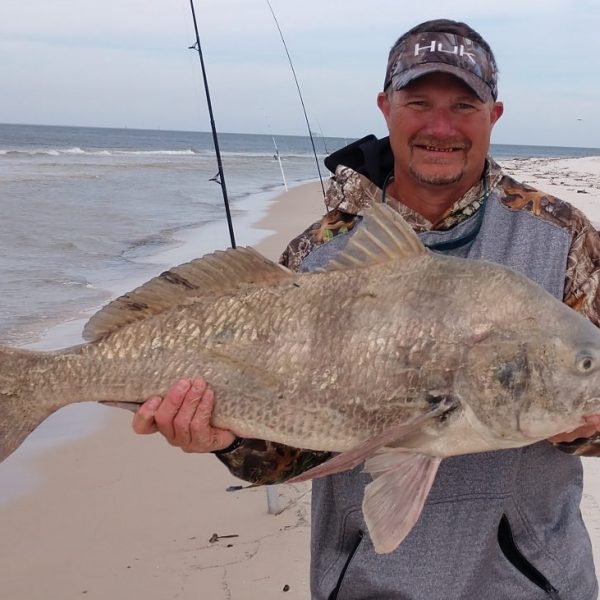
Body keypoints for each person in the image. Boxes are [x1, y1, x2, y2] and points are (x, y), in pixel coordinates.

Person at [133, 19, 600, 600]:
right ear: (385, 107)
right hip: (365, 583)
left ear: (494, 116)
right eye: (419, 102)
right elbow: (282, 457)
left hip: (535, 585)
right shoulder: (314, 255)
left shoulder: (562, 237)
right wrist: (222, 440)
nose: (440, 125)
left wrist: (583, 426)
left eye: (463, 105)